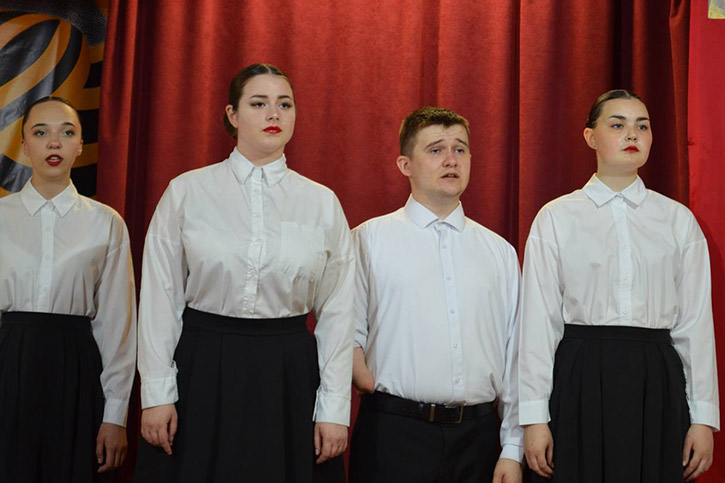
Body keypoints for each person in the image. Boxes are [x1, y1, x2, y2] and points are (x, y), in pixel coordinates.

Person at [134, 63, 354, 482]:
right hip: (201, 365)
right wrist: (157, 393)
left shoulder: (321, 202)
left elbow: (339, 314)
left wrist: (333, 408)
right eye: (258, 103)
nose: (274, 114)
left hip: (288, 373)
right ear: (232, 115)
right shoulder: (187, 191)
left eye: (284, 104)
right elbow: (160, 299)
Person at [519, 89, 719, 482]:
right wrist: (534, 417)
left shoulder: (678, 221)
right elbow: (538, 323)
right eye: (617, 125)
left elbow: (695, 325)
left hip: (656, 379)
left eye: (642, 126)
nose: (632, 135)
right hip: (580, 373)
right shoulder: (557, 217)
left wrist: (703, 418)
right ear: (590, 136)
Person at [349, 106, 524, 483]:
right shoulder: (367, 240)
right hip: (393, 434)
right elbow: (346, 333)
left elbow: (515, 357)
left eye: (460, 149)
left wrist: (513, 447)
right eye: (435, 150)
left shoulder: (499, 252)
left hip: (478, 439)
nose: (451, 160)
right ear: (405, 164)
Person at [0, 96, 136, 481]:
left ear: (80, 145)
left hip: (77, 368)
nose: (54, 143)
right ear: (24, 145)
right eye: (41, 132)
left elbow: (118, 324)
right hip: (8, 364)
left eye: (67, 132)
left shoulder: (106, 223)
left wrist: (115, 416)